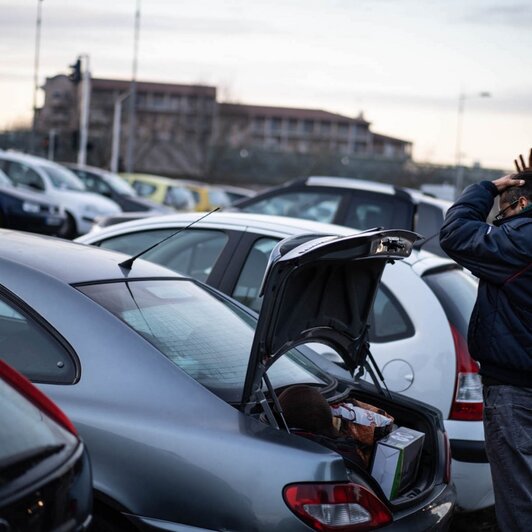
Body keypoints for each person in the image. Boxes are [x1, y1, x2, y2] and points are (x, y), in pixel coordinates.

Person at [439, 149, 532, 531]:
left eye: (507, 213)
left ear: (522, 199)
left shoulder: (523, 240)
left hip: (518, 395)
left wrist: (486, 189)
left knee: (521, 508)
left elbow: (457, 234)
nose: (504, 220)